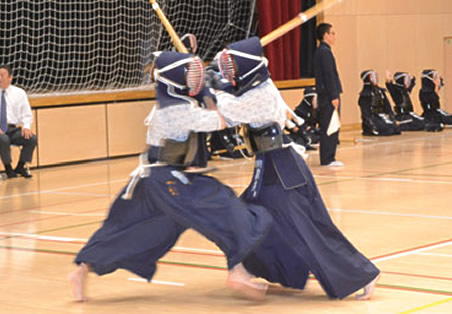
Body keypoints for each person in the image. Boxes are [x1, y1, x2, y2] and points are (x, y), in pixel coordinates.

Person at [67, 51, 272, 302]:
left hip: (158, 181)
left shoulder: (174, 101)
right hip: (167, 182)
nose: (193, 78)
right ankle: (238, 272)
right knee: (225, 208)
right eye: (189, 73)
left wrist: (209, 88)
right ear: (176, 77)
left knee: (140, 231)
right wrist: (212, 92)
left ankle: (82, 270)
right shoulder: (174, 110)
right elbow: (220, 120)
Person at [212, 36, 380, 301]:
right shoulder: (256, 87)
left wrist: (215, 89)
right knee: (243, 217)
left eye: (234, 65)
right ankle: (247, 270)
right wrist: (215, 87)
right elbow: (229, 104)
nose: (230, 71)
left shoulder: (262, 94)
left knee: (307, 229)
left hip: (282, 170)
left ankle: (364, 273)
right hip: (269, 167)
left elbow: (230, 112)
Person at [313, 23, 343, 167]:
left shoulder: (323, 51)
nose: (334, 36)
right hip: (328, 95)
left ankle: (329, 156)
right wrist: (333, 96)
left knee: (331, 125)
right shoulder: (324, 52)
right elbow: (328, 75)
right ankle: (327, 158)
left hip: (327, 94)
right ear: (325, 35)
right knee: (329, 126)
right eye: (332, 33)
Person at [0, 65, 37, 179]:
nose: (0, 78)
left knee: (31, 138)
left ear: (10, 78)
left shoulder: (19, 93)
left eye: (2, 75)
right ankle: (8, 169)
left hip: (12, 129)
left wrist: (26, 127)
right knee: (3, 139)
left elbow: (26, 114)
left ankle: (20, 166)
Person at [358, 70, 401, 136]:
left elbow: (387, 106)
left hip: (381, 116)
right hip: (373, 118)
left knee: (396, 129)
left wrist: (392, 117)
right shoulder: (365, 95)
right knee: (387, 130)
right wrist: (371, 125)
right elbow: (365, 114)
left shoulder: (380, 92)